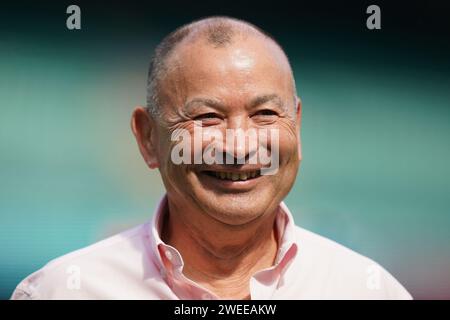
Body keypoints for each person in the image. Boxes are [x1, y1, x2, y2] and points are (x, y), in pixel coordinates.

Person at [11, 16, 412, 300]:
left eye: (265, 114)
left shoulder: (367, 290)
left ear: (298, 124)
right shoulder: (63, 291)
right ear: (148, 137)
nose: (238, 147)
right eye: (207, 117)